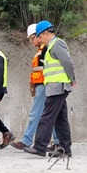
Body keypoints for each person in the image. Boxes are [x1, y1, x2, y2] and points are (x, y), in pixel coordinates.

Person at [23, 21, 76, 158]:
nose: (39, 39)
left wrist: (72, 79)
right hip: (55, 87)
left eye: (40, 36)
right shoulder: (50, 45)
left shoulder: (57, 43)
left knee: (46, 117)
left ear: (46, 33)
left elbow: (67, 62)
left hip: (58, 86)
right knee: (60, 119)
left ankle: (40, 147)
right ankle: (65, 148)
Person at [11, 24, 59, 150]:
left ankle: (27, 140)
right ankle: (58, 141)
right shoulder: (41, 50)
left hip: (44, 85)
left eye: (32, 38)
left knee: (35, 113)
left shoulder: (45, 49)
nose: (31, 42)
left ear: (39, 35)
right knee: (50, 114)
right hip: (42, 84)